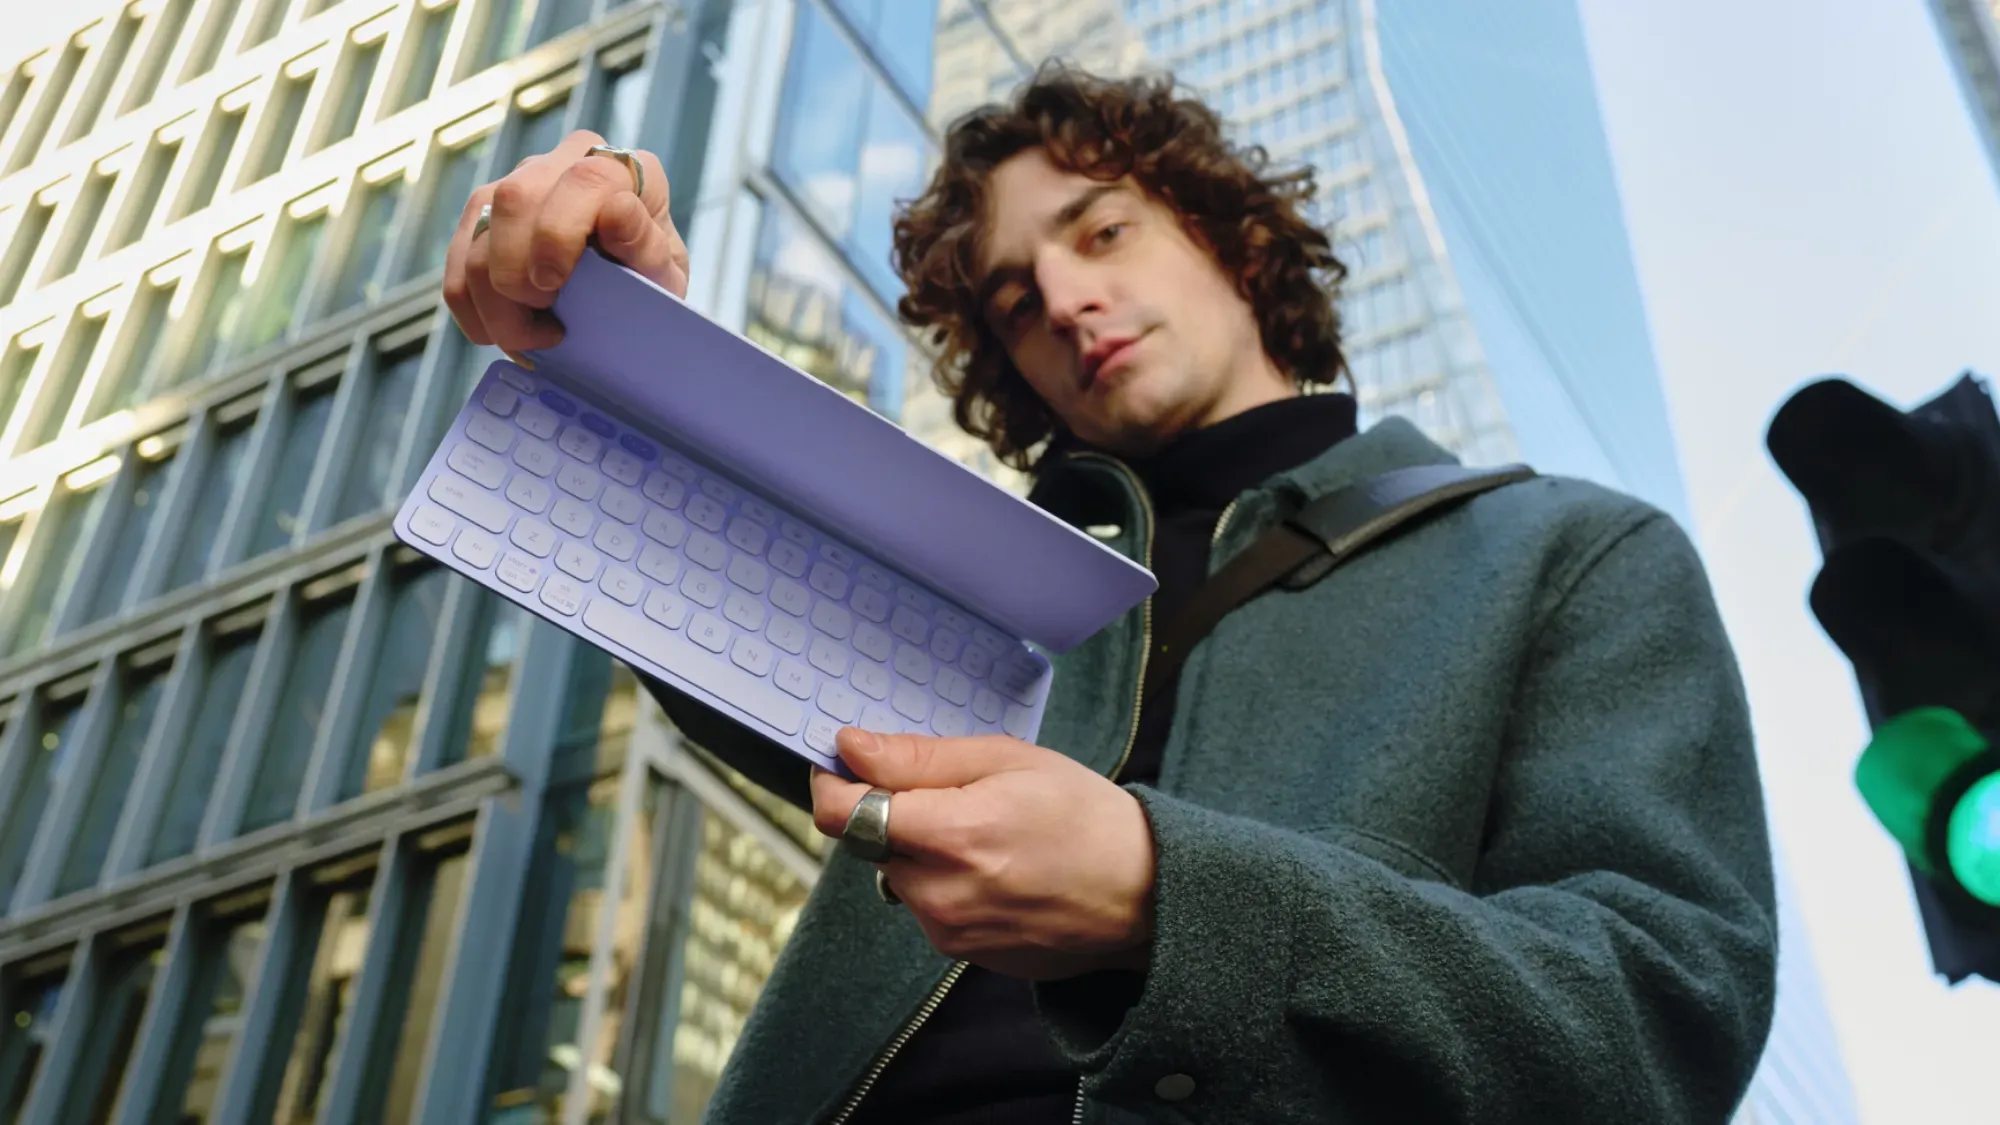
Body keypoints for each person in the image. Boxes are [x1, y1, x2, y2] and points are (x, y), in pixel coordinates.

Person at [444, 64, 1777, 1125]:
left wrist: (1166, 903)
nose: (1070, 299)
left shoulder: (1565, 550)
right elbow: (707, 586)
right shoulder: (986, 590)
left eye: (1103, 232)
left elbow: (1661, 1016)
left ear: (1235, 243)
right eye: (1018, 299)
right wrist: (607, 310)